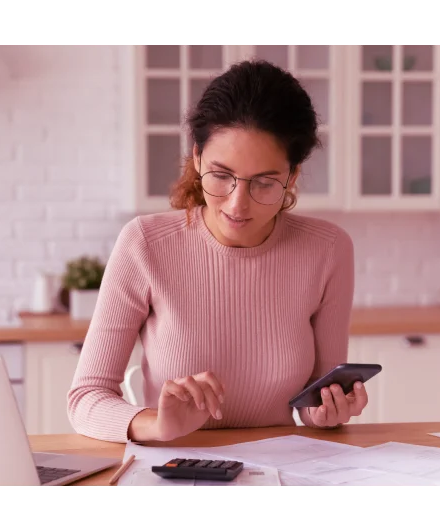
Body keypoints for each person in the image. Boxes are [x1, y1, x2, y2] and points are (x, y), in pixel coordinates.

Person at [67, 59, 367, 444]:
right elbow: (86, 398)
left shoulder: (328, 250)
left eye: (264, 182)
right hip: (174, 469)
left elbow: (316, 398)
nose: (237, 205)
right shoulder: (145, 244)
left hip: (281, 467)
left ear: (292, 176)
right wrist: (156, 424)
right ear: (196, 158)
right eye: (221, 175)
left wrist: (327, 411)